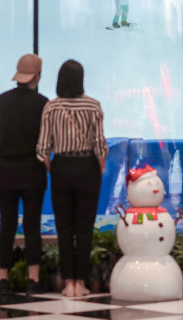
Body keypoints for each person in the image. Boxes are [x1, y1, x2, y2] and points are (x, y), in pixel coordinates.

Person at [37, 60, 108, 298]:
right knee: (85, 229)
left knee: (64, 228)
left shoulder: (51, 106)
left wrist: (53, 169)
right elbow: (100, 144)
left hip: (61, 167)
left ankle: (68, 283)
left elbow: (43, 148)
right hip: (87, 166)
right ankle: (81, 282)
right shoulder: (93, 105)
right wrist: (99, 169)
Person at [0, 54, 50, 298]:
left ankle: (2, 279)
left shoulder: (1, 100)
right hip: (32, 170)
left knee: (7, 225)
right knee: (32, 225)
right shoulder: (43, 103)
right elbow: (45, 139)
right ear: (37, 75)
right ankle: (32, 279)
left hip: (4, 168)